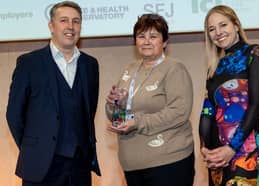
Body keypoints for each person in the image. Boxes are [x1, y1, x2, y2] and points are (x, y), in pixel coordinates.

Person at [6, 1, 100, 185]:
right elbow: (14, 115)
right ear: (51, 26)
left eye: (76, 21)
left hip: (79, 165)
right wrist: (34, 147)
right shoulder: (29, 63)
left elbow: (89, 111)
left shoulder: (90, 65)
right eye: (63, 20)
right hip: (40, 166)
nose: (70, 27)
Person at [105, 13, 195, 186]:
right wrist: (114, 104)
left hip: (168, 162)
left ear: (165, 42)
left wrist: (137, 122)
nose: (146, 41)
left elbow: (179, 112)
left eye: (153, 36)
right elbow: (118, 116)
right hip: (132, 164)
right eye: (141, 36)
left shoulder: (174, 68)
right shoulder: (129, 70)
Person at [199, 5, 259, 186]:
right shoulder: (214, 68)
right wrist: (206, 150)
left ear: (236, 25)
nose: (218, 32)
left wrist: (231, 148)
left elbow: (256, 106)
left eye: (223, 25)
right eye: (212, 29)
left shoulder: (254, 54)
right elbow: (207, 113)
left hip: (246, 152)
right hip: (217, 158)